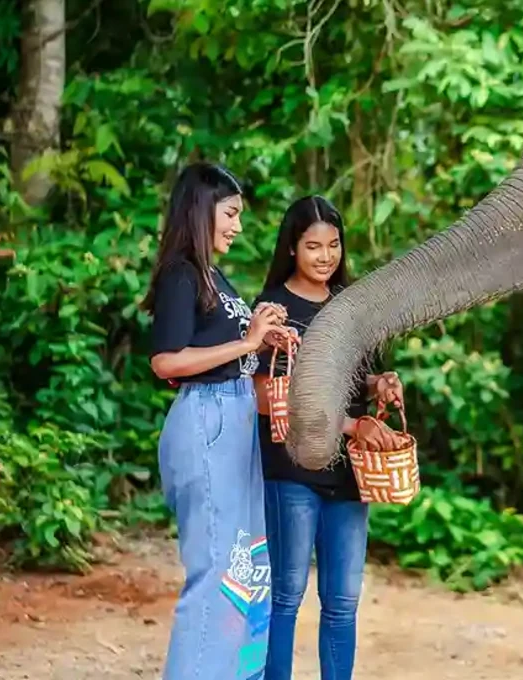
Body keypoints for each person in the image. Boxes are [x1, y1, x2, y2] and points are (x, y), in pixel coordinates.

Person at [143, 162, 293, 680]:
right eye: (230, 213)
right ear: (201, 210)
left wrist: (261, 341)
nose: (237, 226)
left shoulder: (215, 276)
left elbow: (224, 350)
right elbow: (167, 361)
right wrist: (246, 342)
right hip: (207, 422)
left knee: (246, 572)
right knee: (216, 574)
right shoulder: (181, 272)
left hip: (236, 421)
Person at [251, 195, 405, 680]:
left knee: (342, 601)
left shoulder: (349, 304)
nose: (325, 256)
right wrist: (349, 425)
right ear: (292, 249)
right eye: (313, 246)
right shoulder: (273, 310)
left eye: (334, 245)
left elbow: (349, 376)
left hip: (349, 474)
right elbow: (266, 395)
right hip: (292, 470)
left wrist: (377, 384)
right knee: (286, 594)